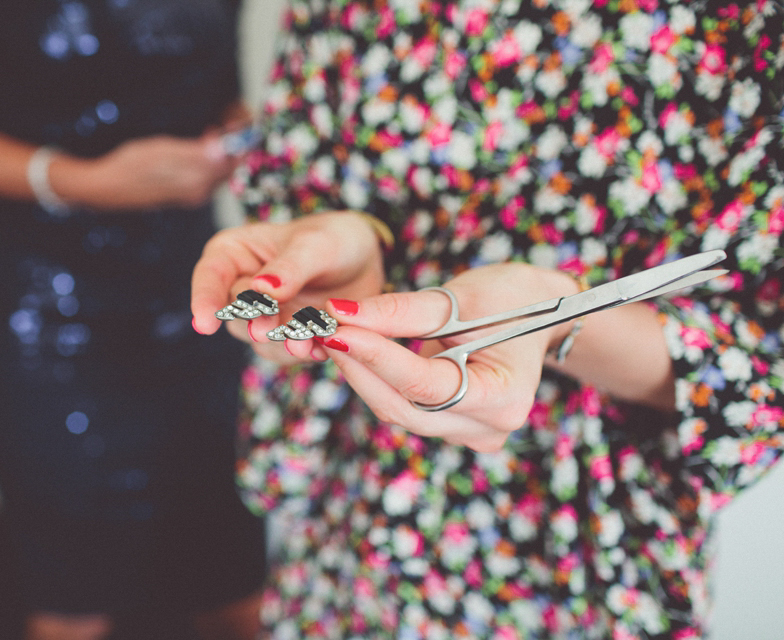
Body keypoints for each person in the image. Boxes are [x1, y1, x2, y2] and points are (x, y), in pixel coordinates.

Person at [190, 1, 784, 638]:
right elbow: (292, 184)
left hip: (583, 546)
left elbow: (754, 363)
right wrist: (331, 246)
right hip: (355, 516)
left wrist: (552, 318)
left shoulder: (748, 22)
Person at [0, 1, 266, 638]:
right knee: (72, 596)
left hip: (195, 287)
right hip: (47, 305)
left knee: (233, 573)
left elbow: (220, 90)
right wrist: (79, 180)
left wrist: (228, 140)